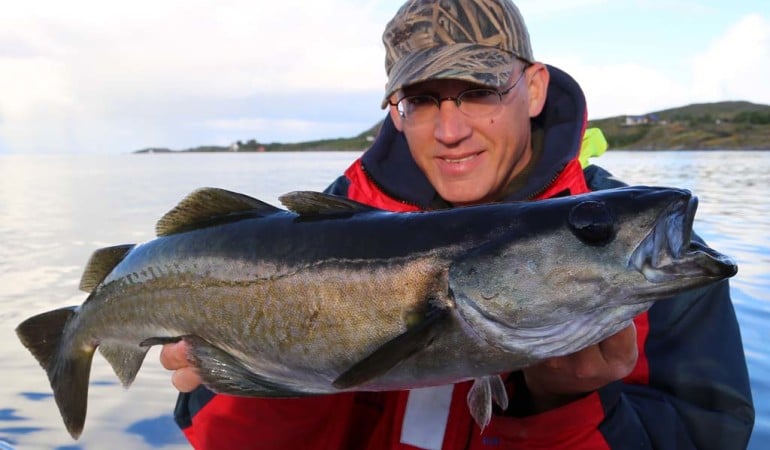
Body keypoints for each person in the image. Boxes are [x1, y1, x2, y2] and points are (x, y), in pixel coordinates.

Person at [160, 0, 755, 448]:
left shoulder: (636, 246)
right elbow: (223, 438)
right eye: (421, 100)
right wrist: (264, 373)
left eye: (478, 90)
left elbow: (709, 433)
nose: (450, 130)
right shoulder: (314, 235)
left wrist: (561, 405)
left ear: (535, 88)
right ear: (396, 112)